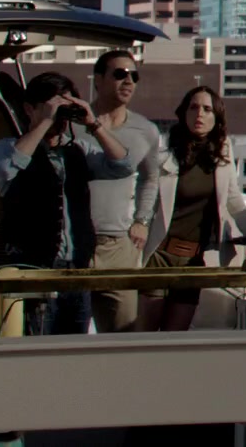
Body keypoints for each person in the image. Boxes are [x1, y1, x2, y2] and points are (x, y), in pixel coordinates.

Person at [0, 71, 132, 335]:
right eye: (54, 106)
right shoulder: (7, 148)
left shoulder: (77, 151)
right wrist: (44, 121)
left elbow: (123, 165)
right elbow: (10, 167)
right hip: (35, 270)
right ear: (29, 108)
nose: (60, 118)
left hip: (77, 270)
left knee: (73, 349)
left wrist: (93, 124)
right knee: (38, 345)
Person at [139, 86, 246, 331]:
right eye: (193, 107)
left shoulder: (222, 151)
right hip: (160, 254)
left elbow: (233, 198)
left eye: (207, 109)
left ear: (217, 116)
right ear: (184, 113)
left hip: (193, 259)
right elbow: (147, 195)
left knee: (175, 337)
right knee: (145, 337)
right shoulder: (167, 151)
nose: (199, 114)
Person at [77, 50, 163, 332]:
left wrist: (142, 220)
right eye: (120, 74)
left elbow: (151, 178)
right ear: (98, 79)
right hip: (74, 243)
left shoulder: (146, 130)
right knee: (66, 333)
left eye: (134, 76)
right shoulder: (73, 125)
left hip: (119, 245)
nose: (128, 82)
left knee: (122, 334)